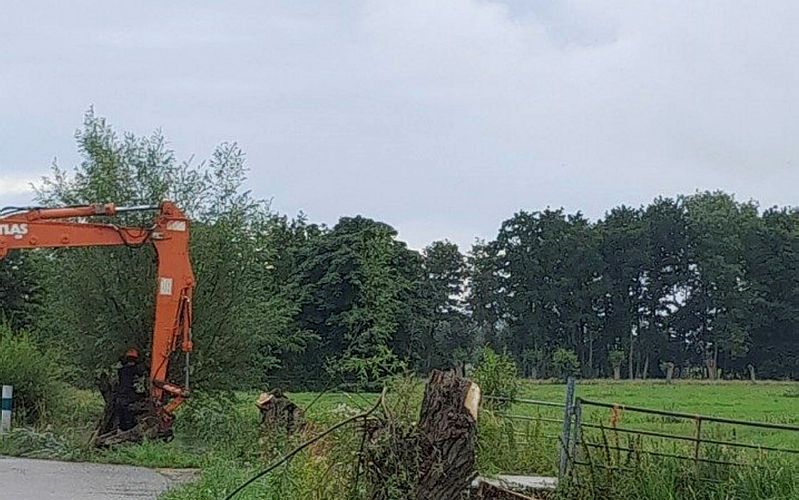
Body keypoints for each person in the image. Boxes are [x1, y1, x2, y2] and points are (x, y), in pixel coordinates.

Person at [115, 348, 146, 432]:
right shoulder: (136, 370)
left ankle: (122, 433)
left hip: (121, 398)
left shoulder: (121, 370)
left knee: (122, 422)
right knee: (129, 421)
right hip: (129, 399)